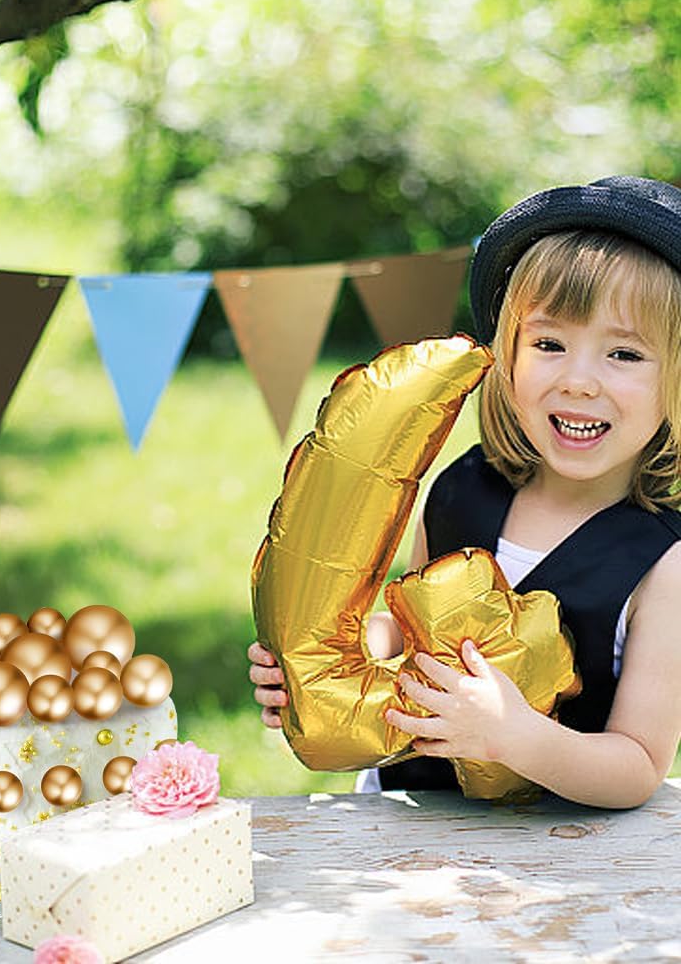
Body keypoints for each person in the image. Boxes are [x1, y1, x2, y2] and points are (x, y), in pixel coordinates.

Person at [248, 175, 681, 808]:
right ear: (507, 355)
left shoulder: (665, 564)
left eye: (624, 355)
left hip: (552, 845)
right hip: (403, 812)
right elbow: (407, 634)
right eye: (550, 344)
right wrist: (330, 661)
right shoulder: (461, 489)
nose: (579, 381)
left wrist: (517, 738)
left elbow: (637, 765)